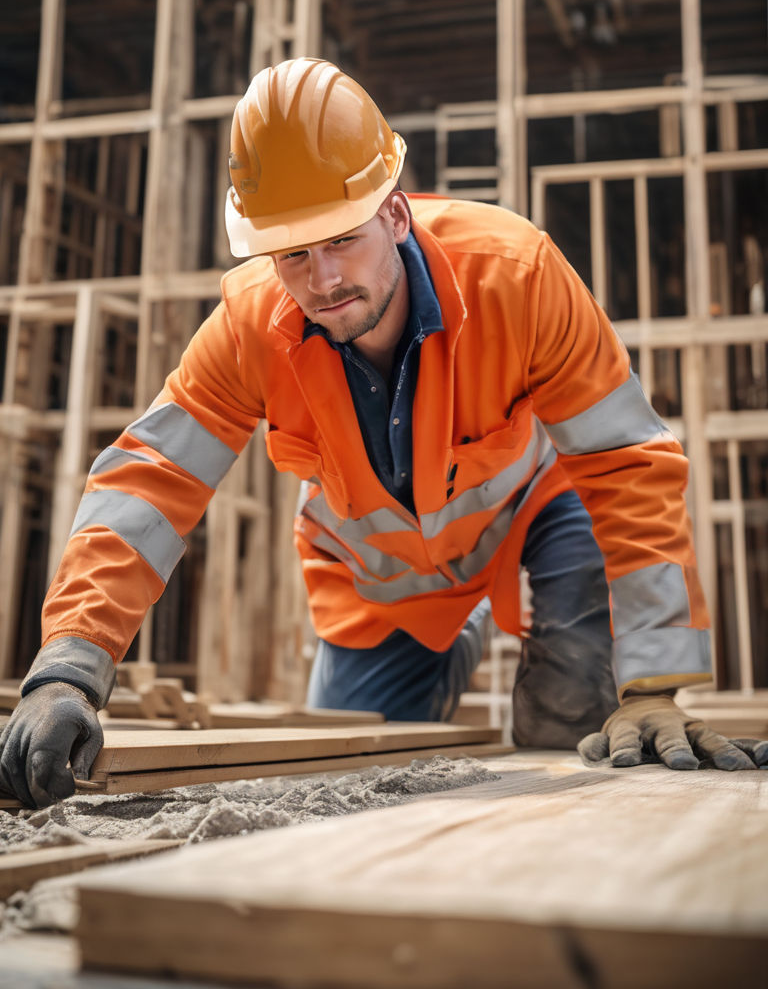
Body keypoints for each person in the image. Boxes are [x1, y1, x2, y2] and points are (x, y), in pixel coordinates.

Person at [1, 57, 766, 809]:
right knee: (358, 759)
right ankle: (455, 636)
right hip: (382, 584)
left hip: (537, 513)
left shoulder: (518, 275)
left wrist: (656, 686)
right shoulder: (246, 329)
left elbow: (624, 462)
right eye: (293, 253)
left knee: (569, 721)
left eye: (342, 239)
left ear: (395, 214)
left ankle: (562, 672)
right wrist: (72, 662)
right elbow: (150, 480)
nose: (323, 279)